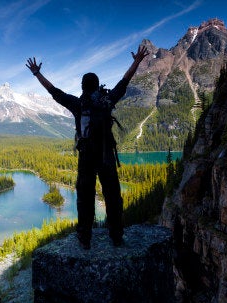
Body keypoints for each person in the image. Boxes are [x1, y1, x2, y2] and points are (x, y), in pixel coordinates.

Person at [26, 45, 149, 249]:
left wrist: (37, 73)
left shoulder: (77, 104)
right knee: (112, 198)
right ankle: (117, 236)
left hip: (86, 159)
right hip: (106, 156)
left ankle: (84, 238)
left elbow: (54, 92)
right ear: (98, 85)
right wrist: (136, 61)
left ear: (82, 87)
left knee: (85, 199)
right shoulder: (107, 101)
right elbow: (124, 83)